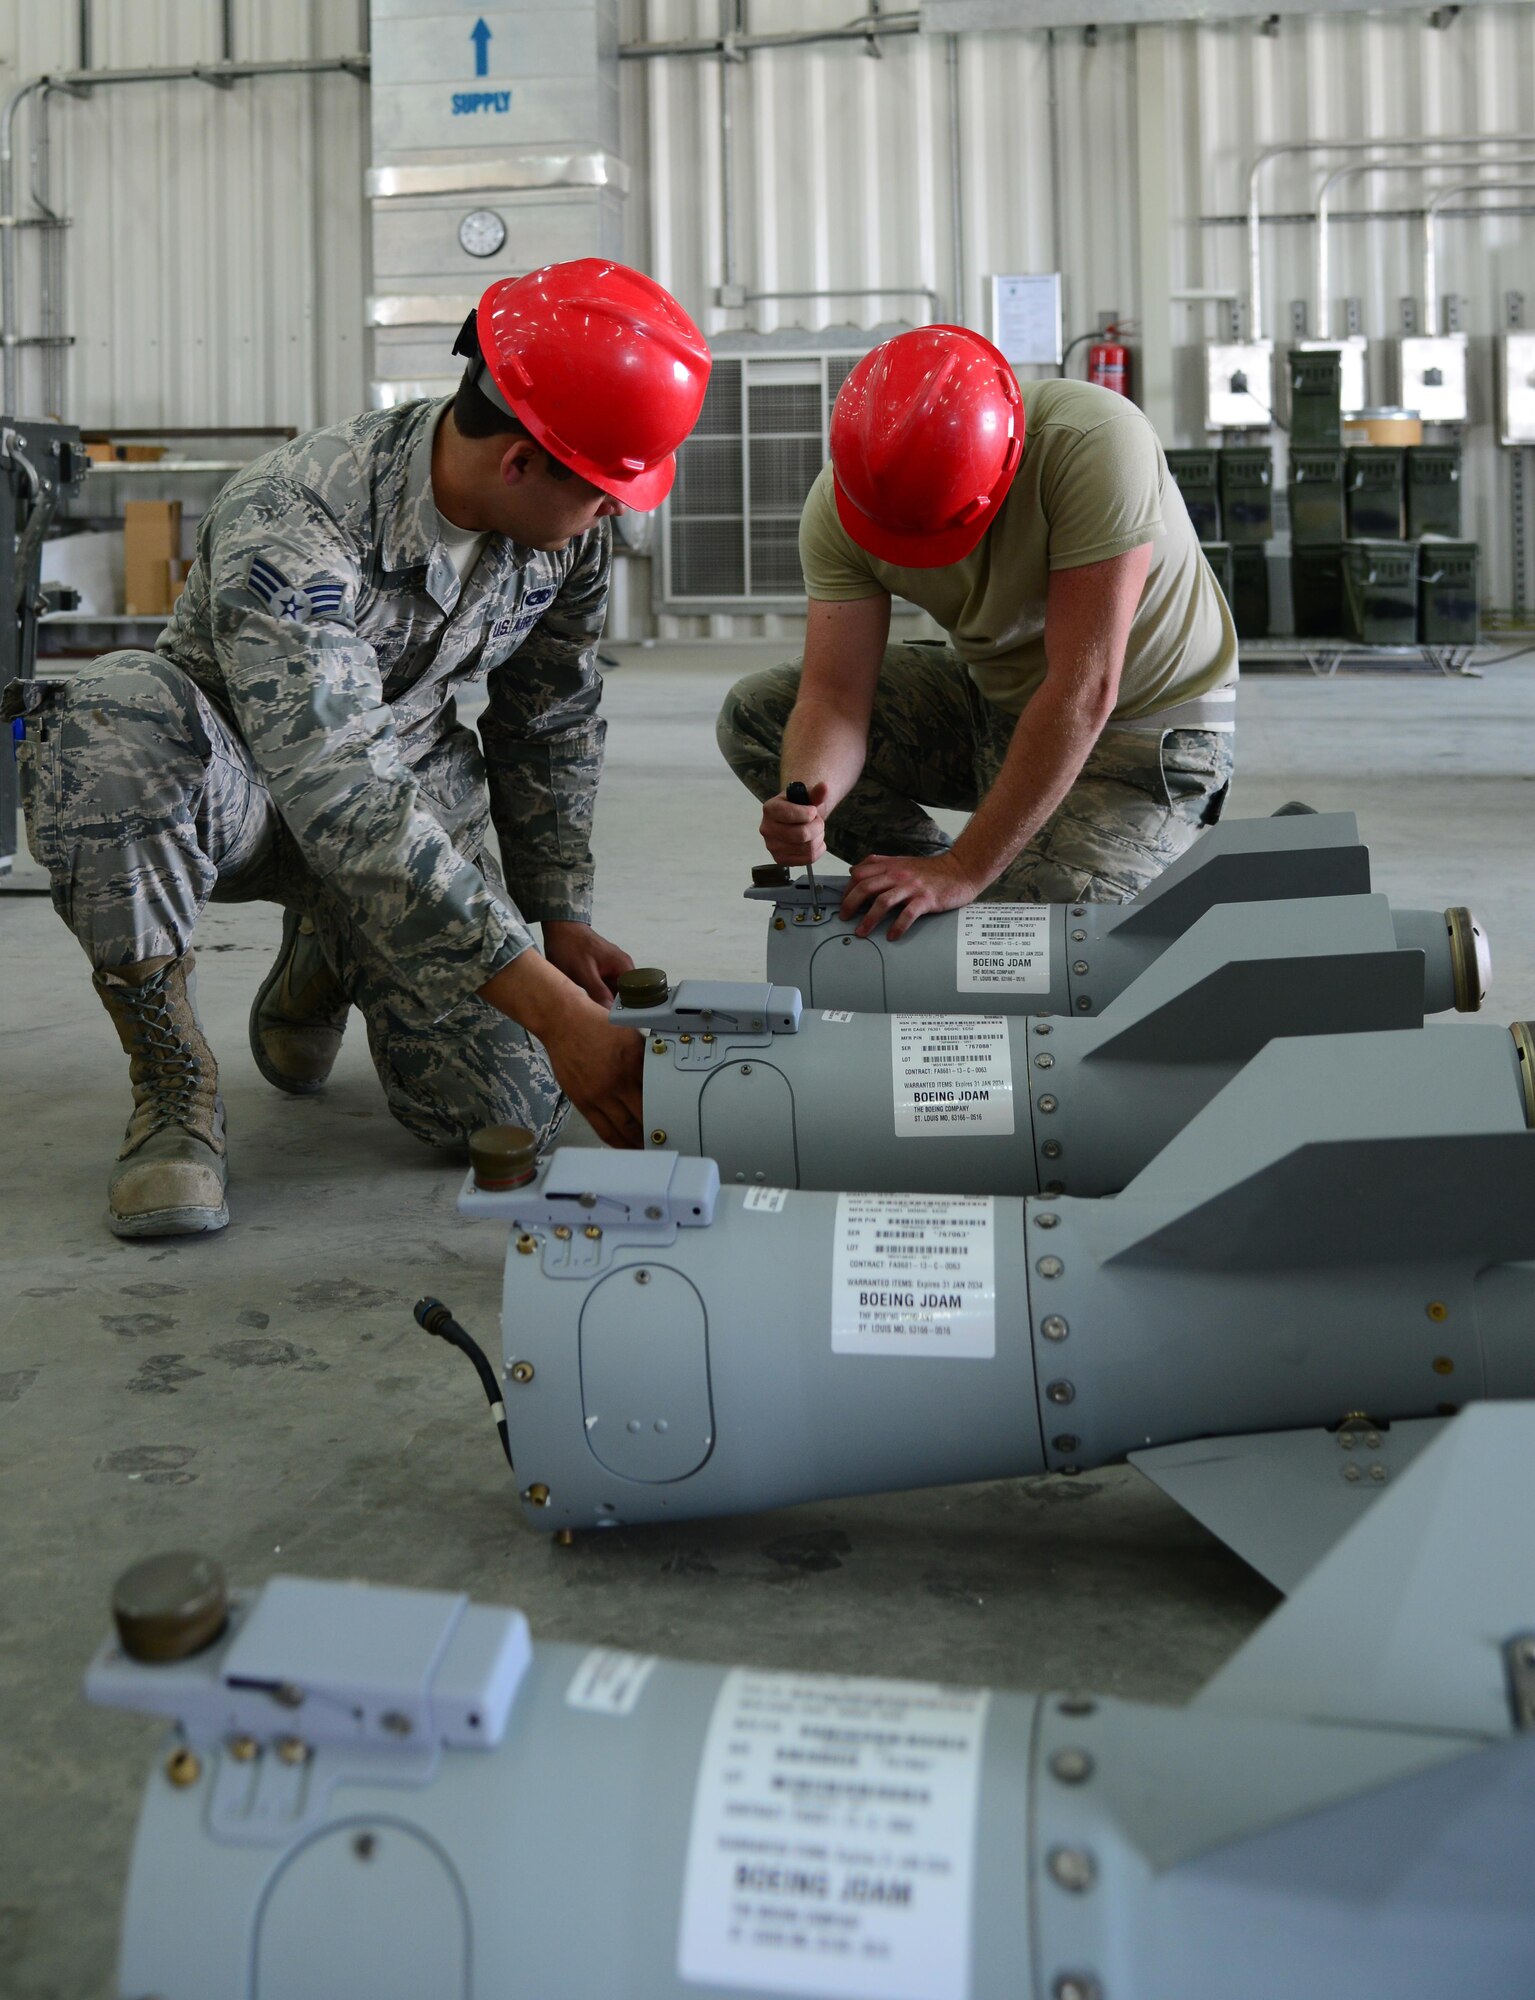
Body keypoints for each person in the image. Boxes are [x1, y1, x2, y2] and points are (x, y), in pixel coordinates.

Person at [4, 259, 710, 1238]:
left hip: (409, 778)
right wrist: (556, 1012)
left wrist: (557, 915)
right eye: (600, 491)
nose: (612, 515)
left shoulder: (566, 537)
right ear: (519, 463)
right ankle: (172, 1079)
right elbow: (340, 793)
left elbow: (547, 714)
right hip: (236, 783)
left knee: (504, 1108)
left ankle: (330, 947)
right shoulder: (297, 512)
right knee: (110, 720)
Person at [717, 324, 1237, 940]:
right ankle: (938, 870)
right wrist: (810, 801)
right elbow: (832, 695)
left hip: (1144, 730)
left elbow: (1084, 689)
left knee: (1028, 947)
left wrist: (967, 868)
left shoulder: (1094, 444)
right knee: (758, 713)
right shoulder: (843, 502)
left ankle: (988, 871)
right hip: (1000, 704)